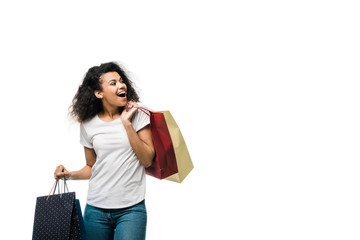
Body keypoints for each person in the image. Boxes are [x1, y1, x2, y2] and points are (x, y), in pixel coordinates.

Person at [54, 62, 155, 240]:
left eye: (121, 81)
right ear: (98, 93)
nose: (121, 85)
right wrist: (68, 175)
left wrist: (127, 124)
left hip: (131, 210)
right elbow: (91, 167)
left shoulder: (137, 114)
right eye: (113, 83)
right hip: (95, 210)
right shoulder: (88, 123)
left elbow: (147, 159)